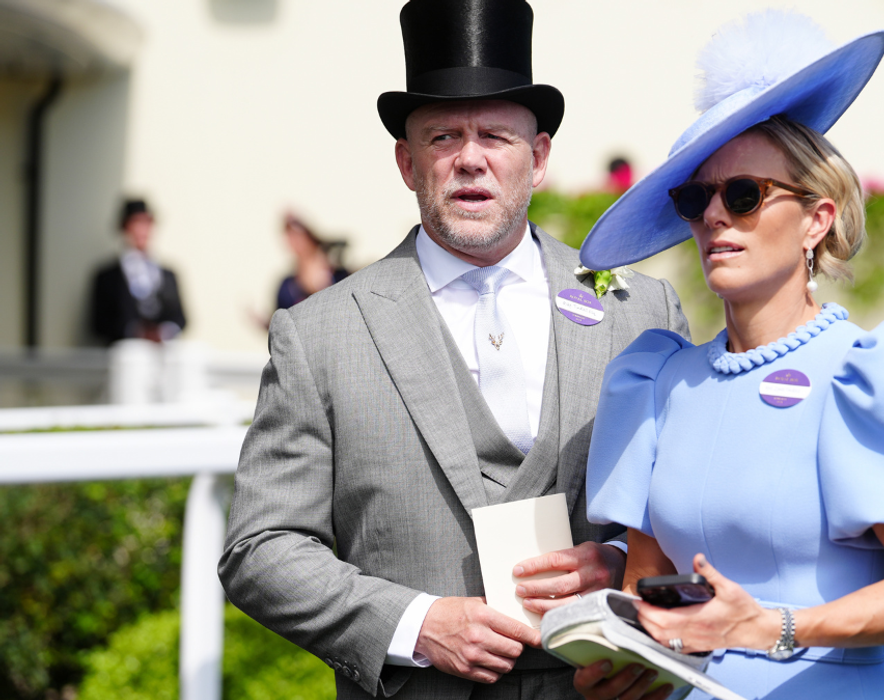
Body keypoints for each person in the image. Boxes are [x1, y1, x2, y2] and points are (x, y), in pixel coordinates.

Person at [217, 2, 689, 699]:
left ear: (539, 156)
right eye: (443, 137)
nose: (470, 158)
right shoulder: (319, 334)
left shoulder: (640, 310)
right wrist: (413, 623)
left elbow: (699, 508)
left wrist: (623, 564)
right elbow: (260, 548)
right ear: (408, 163)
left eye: (496, 135)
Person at [575, 11, 884, 700]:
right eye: (695, 198)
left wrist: (775, 626)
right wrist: (624, 670)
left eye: (743, 195)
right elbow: (646, 600)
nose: (715, 216)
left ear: (816, 219)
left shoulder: (869, 372)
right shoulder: (657, 379)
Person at [89, 198, 187, 344]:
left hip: (162, 353)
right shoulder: (107, 276)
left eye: (147, 223)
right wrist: (137, 332)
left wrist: (163, 332)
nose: (142, 230)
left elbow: (181, 319)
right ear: (125, 227)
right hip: (126, 353)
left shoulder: (168, 274)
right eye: (136, 223)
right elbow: (98, 324)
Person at [275, 212, 350, 310]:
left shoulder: (337, 273)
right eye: (291, 237)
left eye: (298, 235)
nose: (296, 242)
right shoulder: (287, 286)